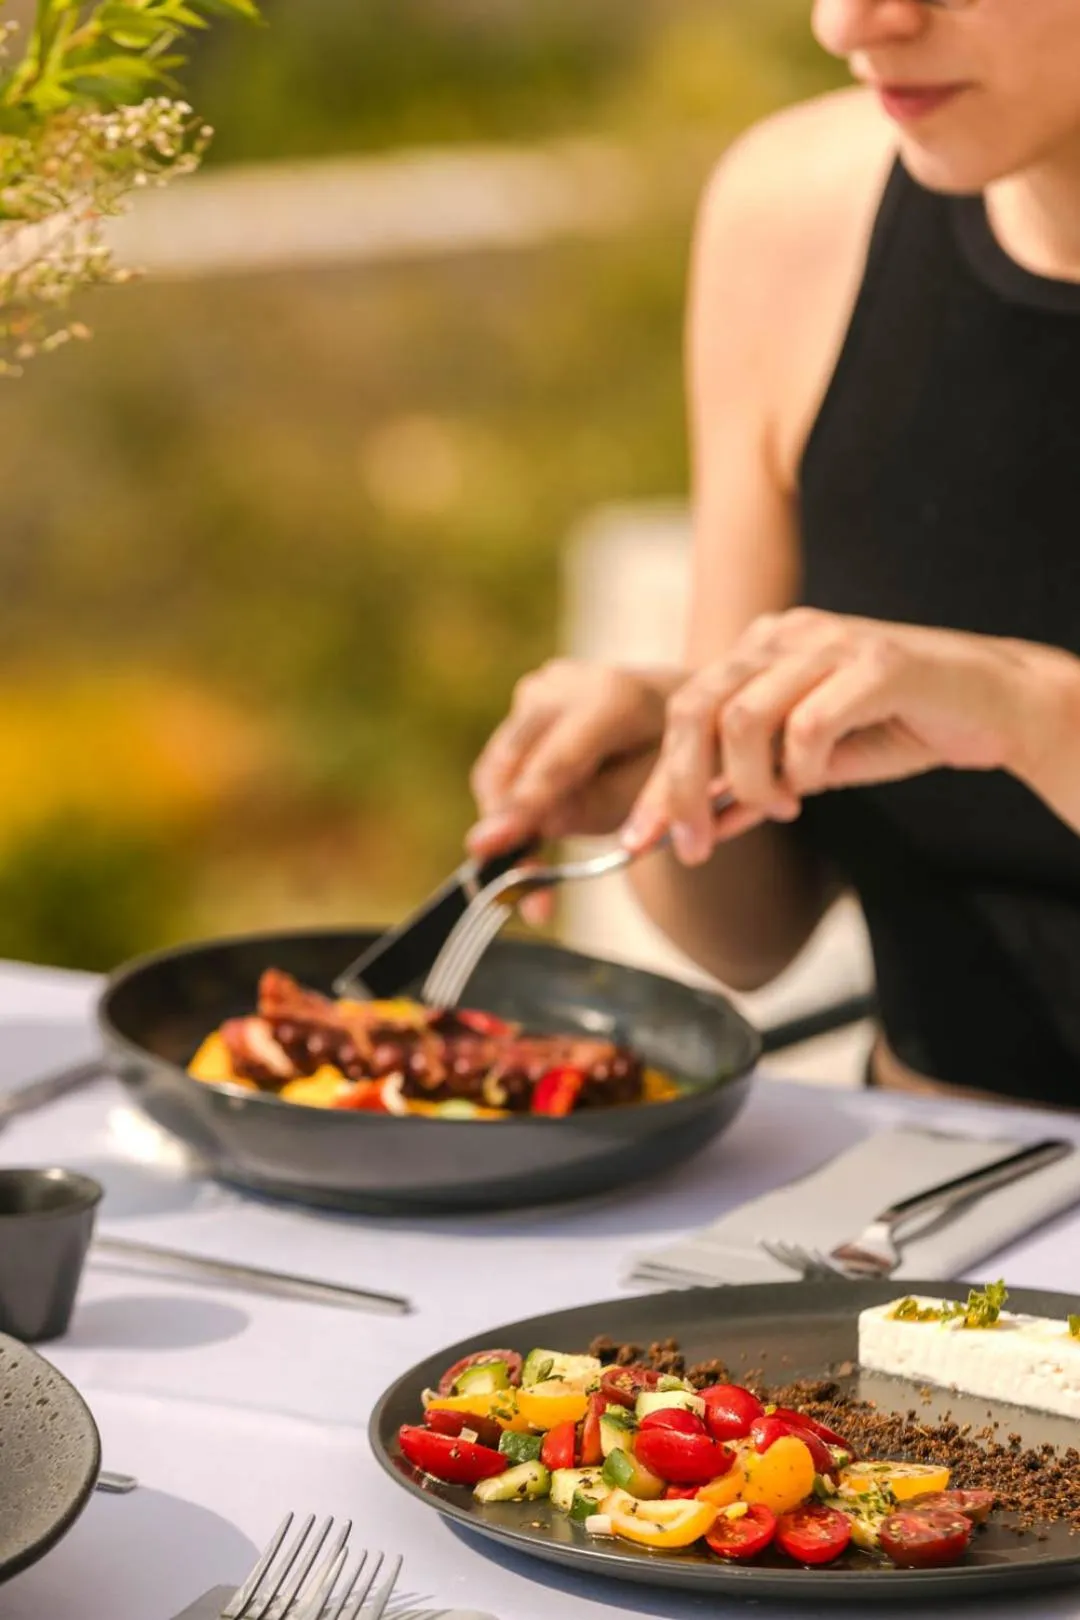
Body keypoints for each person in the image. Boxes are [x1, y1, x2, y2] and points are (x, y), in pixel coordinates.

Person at [466, 0, 1080, 1111]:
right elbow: (747, 939)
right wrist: (696, 743)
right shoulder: (799, 217)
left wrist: (1033, 715)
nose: (849, 22)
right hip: (929, 1231)